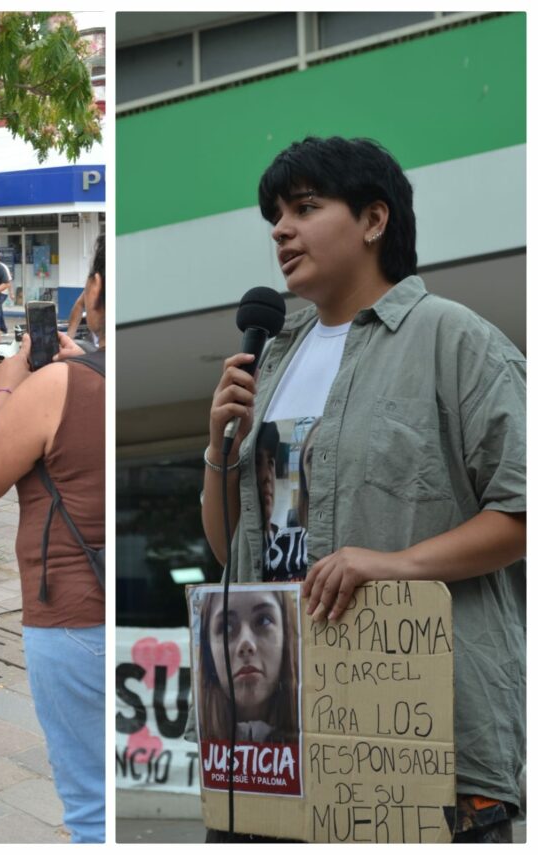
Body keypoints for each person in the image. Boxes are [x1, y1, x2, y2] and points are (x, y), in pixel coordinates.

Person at [201, 136, 525, 842]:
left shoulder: (453, 338)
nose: (281, 229)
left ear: (374, 221)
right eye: (275, 216)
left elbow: (521, 511)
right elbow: (235, 554)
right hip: (281, 734)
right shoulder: (272, 360)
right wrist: (218, 447)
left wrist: (389, 563)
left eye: (305, 207)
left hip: (418, 731)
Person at [0, 235, 106, 843]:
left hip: (72, 617)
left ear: (92, 293)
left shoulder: (58, 385)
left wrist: (6, 387)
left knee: (96, 812)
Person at [197, 588, 299, 745]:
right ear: (208, 652)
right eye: (226, 627)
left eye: (263, 620)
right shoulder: (194, 740)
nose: (246, 644)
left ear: (287, 636)